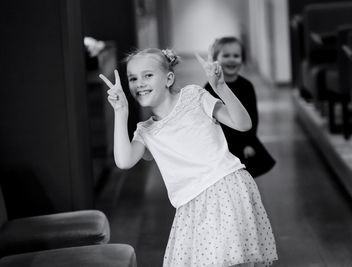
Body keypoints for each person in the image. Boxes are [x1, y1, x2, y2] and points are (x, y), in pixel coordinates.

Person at [99, 47, 278, 267]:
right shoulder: (146, 131)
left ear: (169, 78)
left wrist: (220, 87)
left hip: (225, 190)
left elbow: (243, 124)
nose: (139, 83)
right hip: (190, 206)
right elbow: (124, 161)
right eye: (133, 78)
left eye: (148, 75)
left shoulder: (194, 96)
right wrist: (120, 111)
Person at [204, 37, 275, 178]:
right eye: (226, 55)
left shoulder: (247, 86)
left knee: (244, 176)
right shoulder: (209, 88)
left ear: (242, 59)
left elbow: (253, 117)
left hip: (243, 141)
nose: (232, 59)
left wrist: (249, 142)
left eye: (236, 56)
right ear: (215, 60)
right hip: (222, 143)